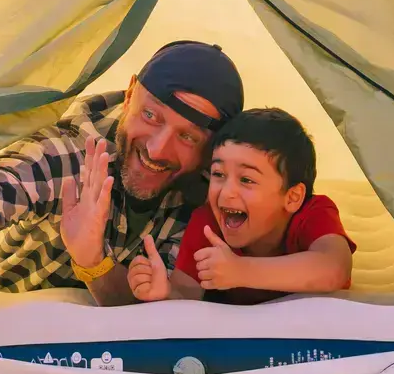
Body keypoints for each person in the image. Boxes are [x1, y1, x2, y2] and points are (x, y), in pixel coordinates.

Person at [0, 40, 244, 302]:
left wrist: (93, 262)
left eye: (187, 137)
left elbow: (145, 309)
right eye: (151, 116)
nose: (157, 149)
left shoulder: (205, 200)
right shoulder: (70, 155)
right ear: (130, 93)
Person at [128, 107, 355, 304]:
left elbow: (334, 269)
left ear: (293, 197)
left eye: (246, 179)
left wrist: (240, 271)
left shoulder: (314, 213)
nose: (226, 192)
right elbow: (186, 296)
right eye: (218, 174)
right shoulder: (207, 225)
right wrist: (164, 293)